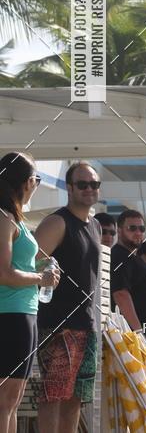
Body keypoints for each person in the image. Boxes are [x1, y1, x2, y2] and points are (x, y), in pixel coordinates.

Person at [34, 162, 102, 433]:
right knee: (54, 396)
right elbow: (29, 264)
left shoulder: (95, 226)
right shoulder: (57, 222)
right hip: (57, 326)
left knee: (76, 398)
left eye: (94, 184)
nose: (89, 189)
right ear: (69, 188)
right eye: (83, 184)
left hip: (86, 324)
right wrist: (46, 271)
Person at [0, 152, 60, 433]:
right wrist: (41, 278)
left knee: (12, 400)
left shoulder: (16, 219)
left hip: (24, 312)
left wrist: (37, 267)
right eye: (36, 178)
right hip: (10, 314)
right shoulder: (5, 218)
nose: (37, 184)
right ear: (25, 182)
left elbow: (15, 265)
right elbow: (4, 274)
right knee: (5, 400)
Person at [111, 210, 146, 347]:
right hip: (133, 340)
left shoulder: (131, 257)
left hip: (142, 340)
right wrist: (139, 333)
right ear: (119, 230)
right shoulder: (120, 256)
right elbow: (120, 294)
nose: (138, 232)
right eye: (132, 228)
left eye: (141, 229)